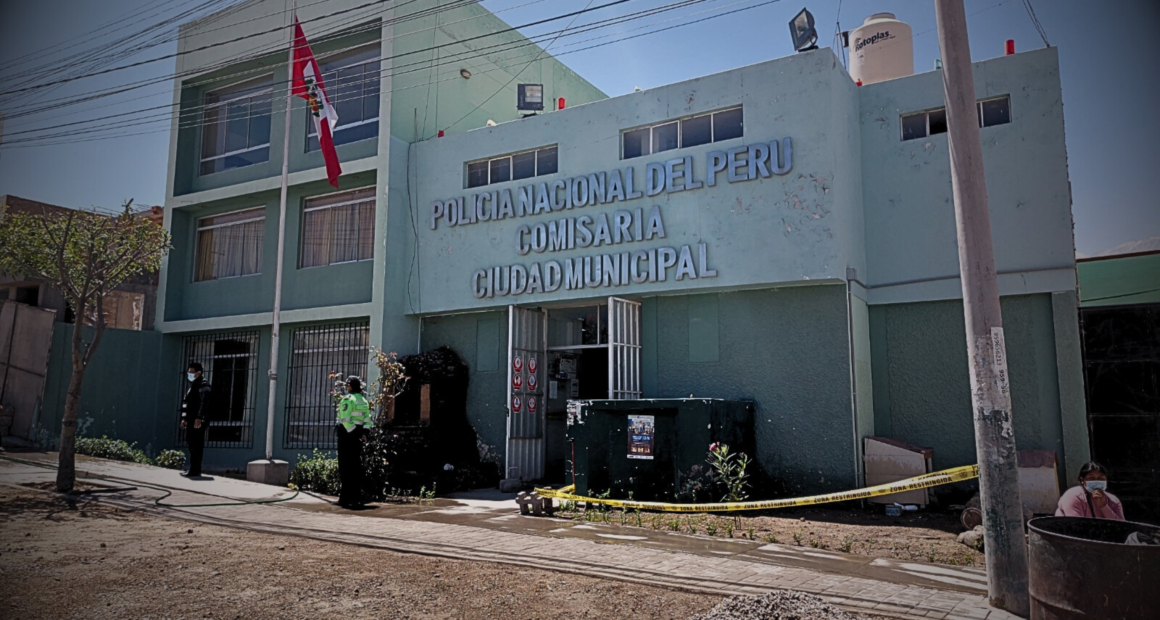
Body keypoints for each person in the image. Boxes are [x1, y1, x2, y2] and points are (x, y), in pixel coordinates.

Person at [335, 376, 373, 508]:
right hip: (358, 438)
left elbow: (345, 420)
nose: (346, 387)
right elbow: (367, 419)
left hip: (346, 437)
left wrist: (353, 433)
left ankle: (345, 499)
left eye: (347, 385)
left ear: (350, 386)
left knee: (345, 468)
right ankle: (355, 497)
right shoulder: (363, 400)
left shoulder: (347, 399)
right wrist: (364, 433)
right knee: (355, 467)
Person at [1055, 461, 1125, 520]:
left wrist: (1103, 506)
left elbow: (1121, 526)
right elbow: (1075, 525)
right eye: (1091, 478)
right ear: (1082, 480)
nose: (1096, 481)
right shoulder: (1073, 496)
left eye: (1100, 478)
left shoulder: (1113, 500)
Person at [180, 362, 212, 478]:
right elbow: (186, 403)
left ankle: (195, 470)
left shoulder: (204, 385)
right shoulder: (193, 385)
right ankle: (193, 468)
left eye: (191, 372)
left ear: (198, 373)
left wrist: (199, 418)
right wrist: (184, 419)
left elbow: (205, 403)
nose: (189, 374)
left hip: (198, 420)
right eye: (189, 372)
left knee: (196, 444)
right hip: (191, 419)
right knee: (191, 443)